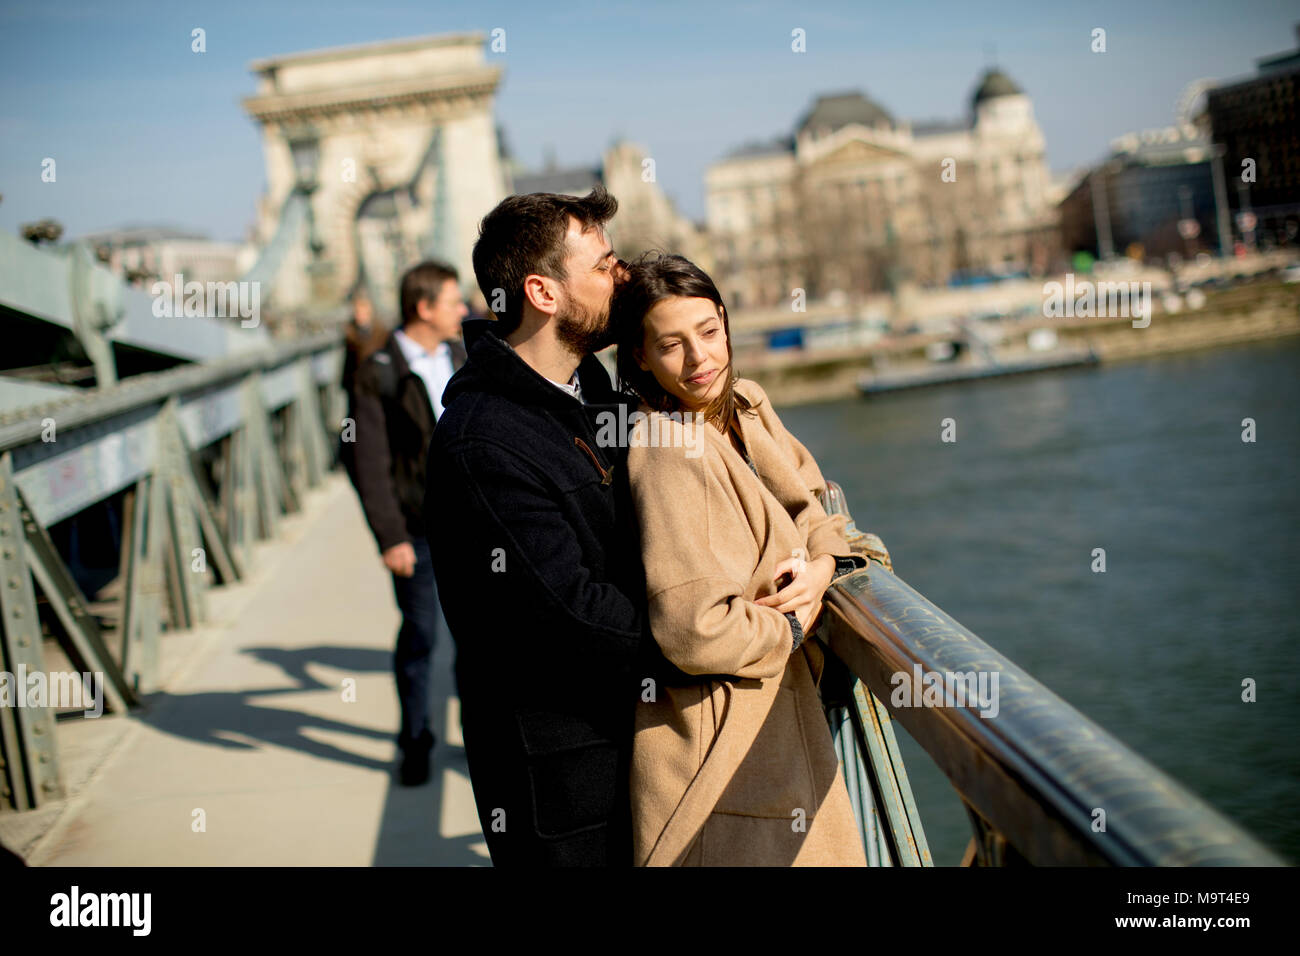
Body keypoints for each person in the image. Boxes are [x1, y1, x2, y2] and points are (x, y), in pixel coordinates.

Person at [612, 252, 869, 866]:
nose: (700, 359)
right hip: (723, 741)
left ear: (726, 321)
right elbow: (694, 629)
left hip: (776, 722)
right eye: (671, 345)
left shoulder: (744, 406)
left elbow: (817, 511)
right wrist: (791, 622)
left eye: (707, 331)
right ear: (641, 356)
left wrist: (821, 571)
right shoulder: (666, 447)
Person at [424, 187, 653, 866]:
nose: (625, 278)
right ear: (543, 293)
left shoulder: (595, 387)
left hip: (637, 747)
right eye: (605, 266)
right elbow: (575, 616)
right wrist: (727, 635)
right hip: (569, 796)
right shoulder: (481, 443)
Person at [350, 261, 468, 786]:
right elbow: (367, 461)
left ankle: (478, 732)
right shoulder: (378, 369)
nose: (463, 310)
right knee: (421, 636)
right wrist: (391, 537)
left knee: (478, 637)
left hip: (474, 525)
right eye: (453, 301)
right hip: (417, 531)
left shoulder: (464, 355)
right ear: (424, 308)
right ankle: (416, 741)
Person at [339, 288, 387, 484]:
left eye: (363, 309)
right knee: (354, 437)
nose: (360, 314)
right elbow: (346, 370)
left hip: (378, 393)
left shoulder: (382, 335)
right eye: (356, 310)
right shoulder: (350, 336)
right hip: (356, 397)